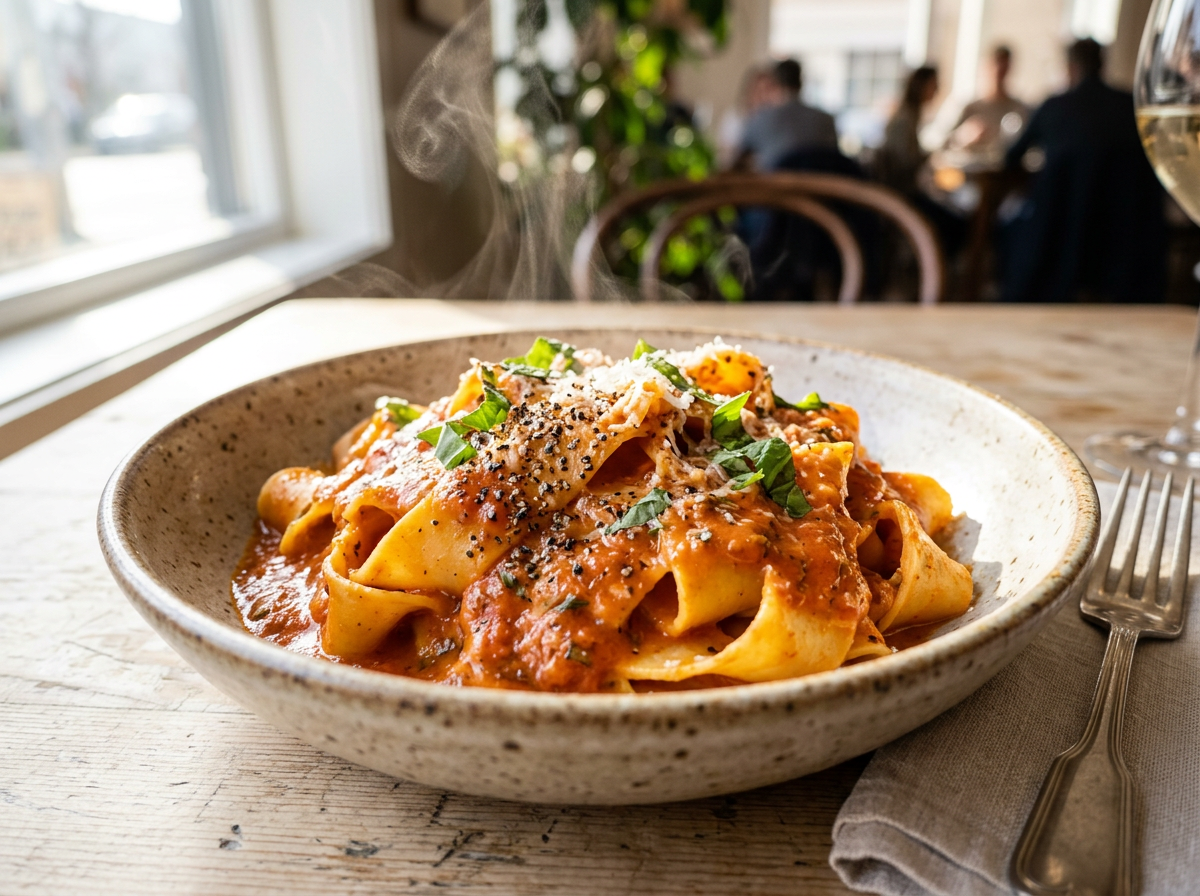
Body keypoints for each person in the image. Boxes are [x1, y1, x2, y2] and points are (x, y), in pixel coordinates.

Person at [1000, 39, 1165, 302]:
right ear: (1101, 66)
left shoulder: (1054, 106)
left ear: (1071, 67)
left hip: (1058, 241)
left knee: (1010, 227)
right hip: (1126, 244)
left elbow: (1011, 158)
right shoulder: (1131, 106)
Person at [736, 59, 838, 172]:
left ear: (776, 84)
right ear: (801, 82)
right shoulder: (827, 120)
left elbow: (738, 161)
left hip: (775, 182)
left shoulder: (761, 119)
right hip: (821, 182)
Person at [948, 45, 1029, 158]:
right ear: (985, 66)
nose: (998, 70)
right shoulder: (970, 107)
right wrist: (964, 135)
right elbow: (943, 144)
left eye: (1004, 66)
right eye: (996, 64)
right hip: (973, 166)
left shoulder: (1019, 110)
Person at [876, 66, 940, 196]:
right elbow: (904, 163)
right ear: (920, 86)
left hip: (904, 190)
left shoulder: (911, 115)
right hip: (899, 193)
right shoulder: (904, 119)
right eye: (933, 85)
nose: (937, 90)